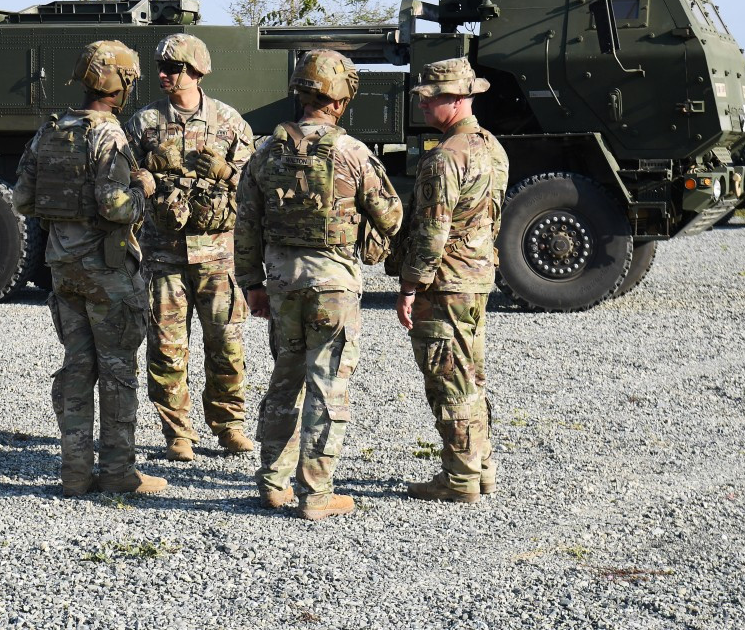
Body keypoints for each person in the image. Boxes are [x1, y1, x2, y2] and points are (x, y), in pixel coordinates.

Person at [236, 49, 403, 521]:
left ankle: (272, 483)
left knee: (284, 380)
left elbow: (245, 224)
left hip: (282, 285)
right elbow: (390, 215)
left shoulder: (264, 152)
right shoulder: (353, 153)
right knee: (327, 386)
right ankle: (315, 495)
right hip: (333, 287)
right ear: (340, 99)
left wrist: (251, 284)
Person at [13, 40, 166, 497]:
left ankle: (74, 473)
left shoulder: (49, 132)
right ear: (121, 84)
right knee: (118, 370)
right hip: (107, 270)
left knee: (78, 367)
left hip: (64, 269)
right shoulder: (109, 135)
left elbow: (22, 199)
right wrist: (146, 191)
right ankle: (119, 471)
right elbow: (115, 206)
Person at [124, 33, 255, 462]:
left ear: (196, 70)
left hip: (218, 255)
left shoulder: (229, 123)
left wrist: (227, 172)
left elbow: (257, 189)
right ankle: (178, 433)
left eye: (173, 67)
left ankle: (230, 425)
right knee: (166, 348)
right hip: (164, 254)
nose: (163, 74)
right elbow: (120, 180)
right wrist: (144, 174)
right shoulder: (143, 124)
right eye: (161, 67)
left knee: (227, 346)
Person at [395, 57, 509, 503]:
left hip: (445, 284)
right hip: (477, 277)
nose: (423, 105)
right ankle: (479, 468)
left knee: (449, 378)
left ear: (459, 99)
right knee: (472, 376)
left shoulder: (445, 158)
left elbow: (431, 232)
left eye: (432, 98)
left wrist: (408, 287)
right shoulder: (492, 147)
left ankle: (459, 478)